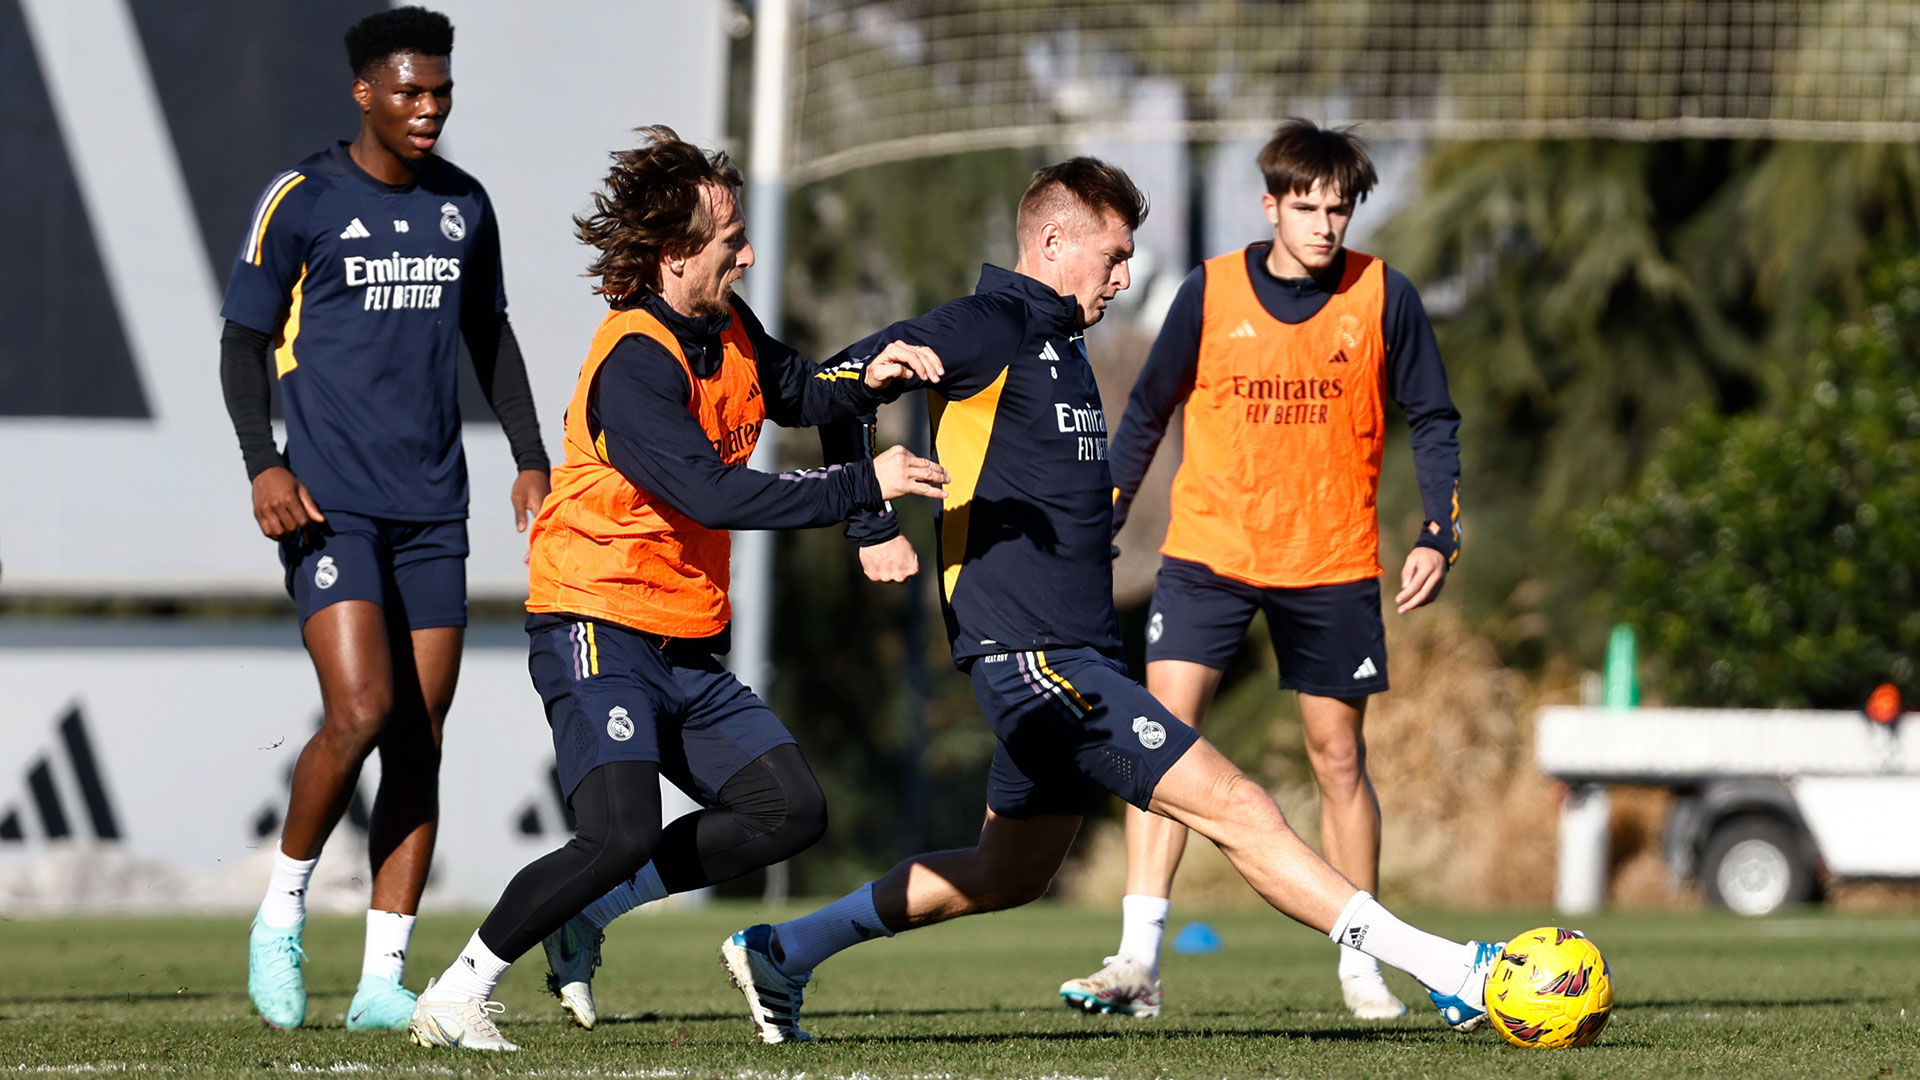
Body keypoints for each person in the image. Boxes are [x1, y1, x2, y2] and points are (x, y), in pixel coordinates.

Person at [718, 158, 1499, 1045]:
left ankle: (782, 950)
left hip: (1068, 655)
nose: (1124, 277)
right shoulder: (984, 324)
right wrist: (870, 525)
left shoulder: (1059, 336)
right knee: (1240, 809)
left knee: (1006, 872)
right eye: (1114, 255)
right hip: (1034, 659)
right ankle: (1451, 970)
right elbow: (838, 388)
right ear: (1053, 244)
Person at [404, 126, 950, 1053]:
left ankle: (588, 915)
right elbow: (711, 491)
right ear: (674, 254)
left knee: (789, 808)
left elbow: (810, 394)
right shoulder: (635, 362)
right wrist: (867, 490)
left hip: (682, 635)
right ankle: (456, 993)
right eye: (729, 238)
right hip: (595, 618)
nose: (746, 252)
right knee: (616, 829)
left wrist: (874, 367)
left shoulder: (727, 329)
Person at [1058, 119, 1463, 1020]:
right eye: (1308, 207)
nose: (1325, 226)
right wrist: (1109, 514)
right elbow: (1148, 413)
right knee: (1160, 742)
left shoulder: (1384, 296)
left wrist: (1438, 530)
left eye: (1341, 209)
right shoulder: (1210, 292)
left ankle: (1363, 964)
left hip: (1332, 560)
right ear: (1271, 204)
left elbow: (1434, 418)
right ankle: (1137, 962)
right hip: (1209, 554)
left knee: (1339, 759)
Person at [220, 6, 549, 1032]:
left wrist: (533, 457)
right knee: (358, 712)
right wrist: (263, 466)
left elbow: (490, 339)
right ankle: (278, 915)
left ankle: (381, 981)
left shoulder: (465, 206)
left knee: (420, 737)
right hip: (329, 503)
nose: (429, 109)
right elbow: (240, 346)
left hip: (432, 512)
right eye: (410, 91)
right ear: (364, 92)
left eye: (440, 92)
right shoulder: (302, 198)